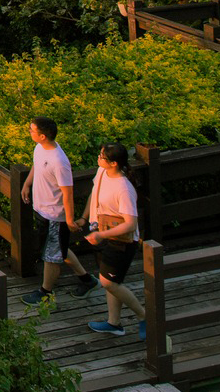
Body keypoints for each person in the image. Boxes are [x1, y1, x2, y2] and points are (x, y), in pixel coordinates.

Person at [20, 116, 97, 306]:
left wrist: (69, 219)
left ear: (43, 136)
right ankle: (87, 280)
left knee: (51, 256)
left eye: (32, 130)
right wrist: (27, 183)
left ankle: (45, 292)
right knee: (57, 249)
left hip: (55, 214)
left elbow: (67, 192)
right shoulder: (40, 148)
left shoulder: (59, 161)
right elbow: (36, 165)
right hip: (41, 209)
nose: (29, 132)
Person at [82, 143, 148, 338]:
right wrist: (85, 218)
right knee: (112, 280)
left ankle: (144, 315)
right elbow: (94, 194)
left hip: (121, 241)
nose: (99, 157)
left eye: (102, 156)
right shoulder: (102, 172)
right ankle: (114, 323)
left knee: (108, 282)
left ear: (113, 163)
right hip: (105, 233)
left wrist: (101, 235)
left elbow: (130, 224)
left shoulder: (124, 188)